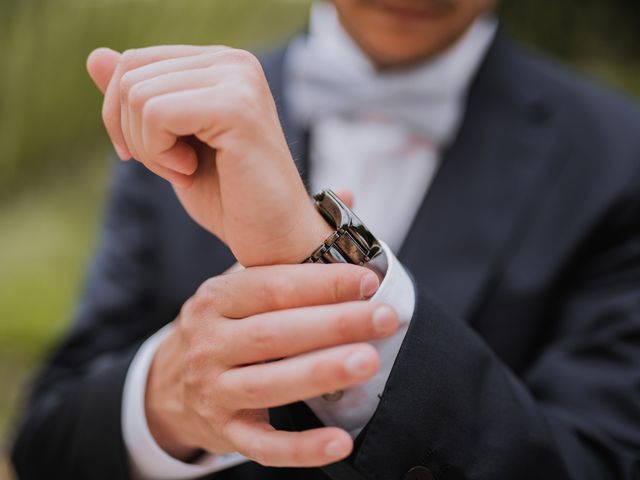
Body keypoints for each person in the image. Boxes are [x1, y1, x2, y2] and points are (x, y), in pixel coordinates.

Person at [11, 0, 640, 478]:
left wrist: (306, 246)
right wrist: (168, 397)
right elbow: (48, 438)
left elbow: (597, 459)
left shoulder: (618, 157)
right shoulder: (180, 115)